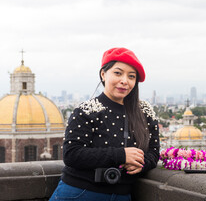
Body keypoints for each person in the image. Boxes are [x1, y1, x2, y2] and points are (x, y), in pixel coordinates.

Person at [50, 47, 160, 201]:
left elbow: (154, 152)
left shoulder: (145, 112)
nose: (124, 81)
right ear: (103, 74)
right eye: (118, 73)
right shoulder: (86, 110)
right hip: (79, 193)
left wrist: (142, 163)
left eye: (131, 76)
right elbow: (71, 154)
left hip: (122, 195)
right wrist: (121, 155)